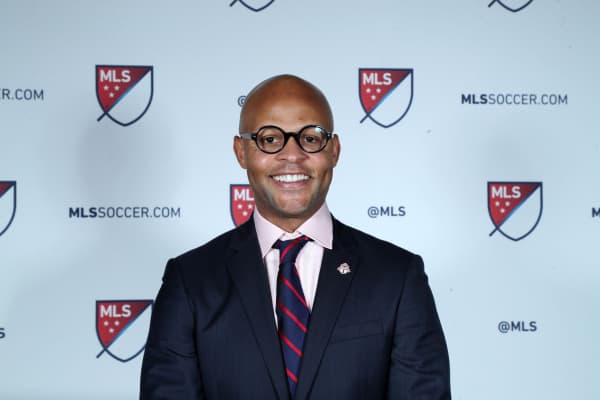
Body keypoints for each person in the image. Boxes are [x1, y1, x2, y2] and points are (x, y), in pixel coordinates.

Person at [140, 74, 451, 399]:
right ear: (241, 151)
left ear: (334, 150)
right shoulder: (190, 281)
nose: (292, 154)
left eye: (311, 138)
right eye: (270, 139)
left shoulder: (397, 276)